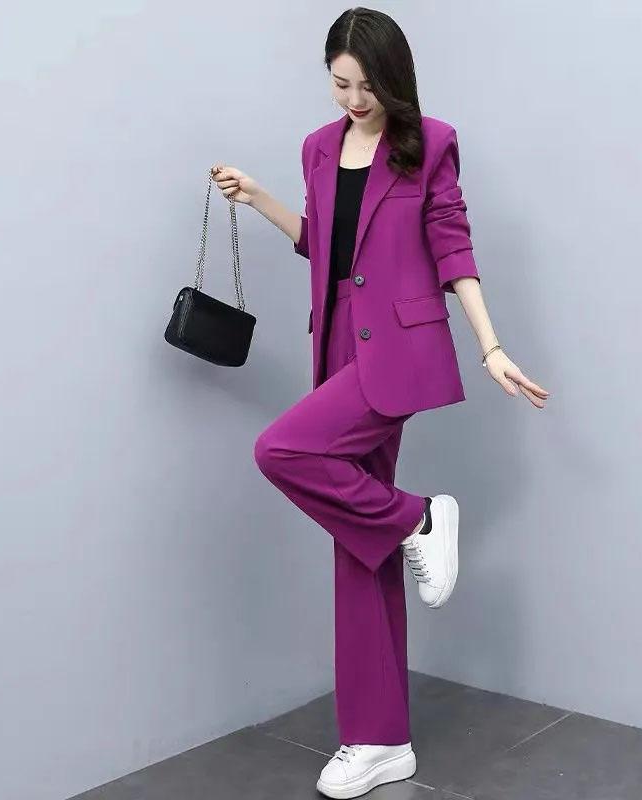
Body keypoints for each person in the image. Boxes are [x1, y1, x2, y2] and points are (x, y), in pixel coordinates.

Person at [210, 8, 549, 797]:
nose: (354, 100)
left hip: (396, 351)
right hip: (336, 346)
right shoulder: (317, 148)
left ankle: (421, 518)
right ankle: (381, 739)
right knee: (356, 541)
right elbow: (323, 245)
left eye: (366, 86)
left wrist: (491, 346)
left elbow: (452, 248)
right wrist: (259, 198)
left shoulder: (429, 143)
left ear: (393, 79)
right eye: (340, 85)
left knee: (281, 451)